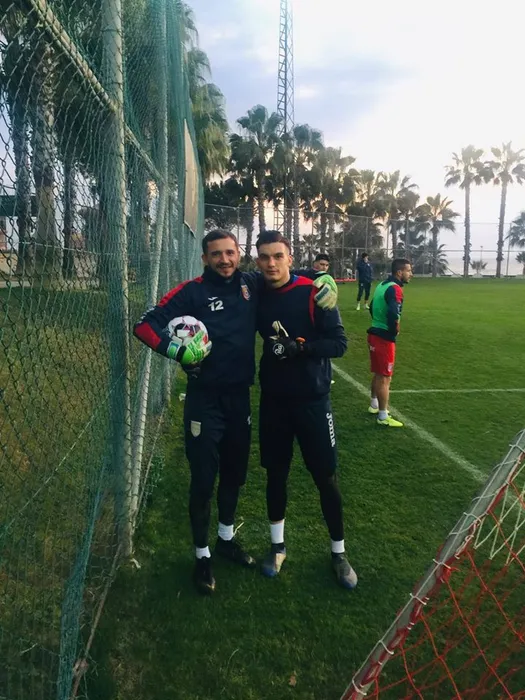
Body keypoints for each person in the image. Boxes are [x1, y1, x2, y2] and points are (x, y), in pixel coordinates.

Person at [133, 229, 340, 595]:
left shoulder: (250, 284)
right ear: (205, 258)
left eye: (230, 252)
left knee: (234, 474)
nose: (224, 259)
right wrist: (177, 352)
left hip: (240, 398)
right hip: (204, 400)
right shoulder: (191, 292)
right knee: (203, 480)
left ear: (239, 255)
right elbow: (144, 325)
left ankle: (226, 540)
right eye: (216, 254)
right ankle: (202, 556)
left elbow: (286, 274)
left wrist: (323, 277)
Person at [255, 230, 357, 590]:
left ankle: (338, 553)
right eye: (264, 257)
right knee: (275, 474)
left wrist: (302, 348)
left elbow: (339, 344)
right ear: (257, 261)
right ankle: (277, 547)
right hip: (274, 401)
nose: (271, 263)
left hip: (313, 401)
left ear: (290, 257)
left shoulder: (315, 292)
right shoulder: (255, 290)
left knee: (325, 477)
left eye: (278, 256)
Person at [367, 258, 413, 428]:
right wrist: (394, 330)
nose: (411, 274)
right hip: (384, 338)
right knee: (385, 377)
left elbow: (372, 305)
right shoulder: (395, 289)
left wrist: (378, 322)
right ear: (399, 272)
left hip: (374, 333)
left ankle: (374, 404)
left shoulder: (382, 285)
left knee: (379, 374)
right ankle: (383, 415)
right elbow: (394, 313)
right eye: (408, 271)